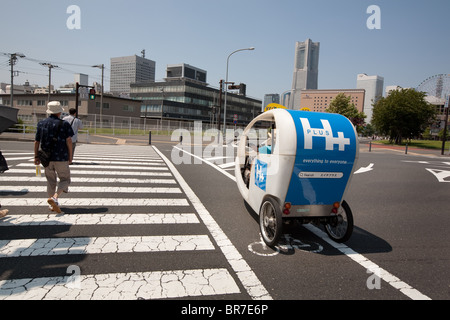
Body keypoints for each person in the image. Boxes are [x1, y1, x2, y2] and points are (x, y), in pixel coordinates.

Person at [34, 101, 74, 214]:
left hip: (46, 158)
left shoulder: (41, 123)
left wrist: (36, 156)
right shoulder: (64, 124)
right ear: (59, 111)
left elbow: (36, 141)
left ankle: (53, 205)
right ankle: (55, 198)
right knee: (65, 179)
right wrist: (70, 157)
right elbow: (69, 141)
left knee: (51, 181)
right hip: (61, 157)